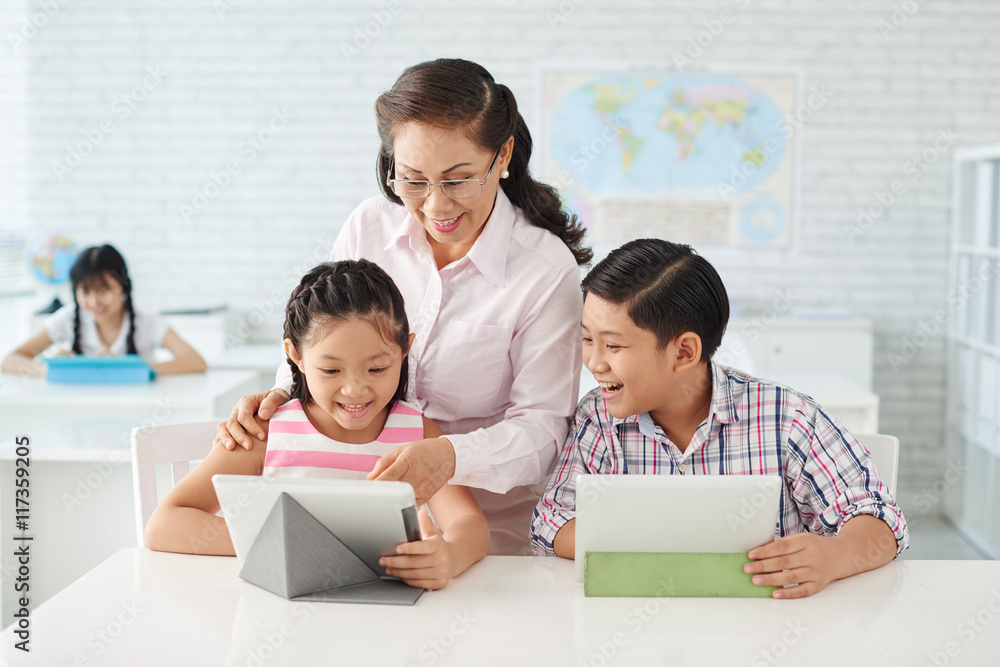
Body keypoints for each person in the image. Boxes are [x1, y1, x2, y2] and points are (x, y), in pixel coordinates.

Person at [215, 58, 591, 555]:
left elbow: (544, 431)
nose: (436, 205)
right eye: (413, 180)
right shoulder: (369, 226)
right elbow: (322, 328)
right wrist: (282, 393)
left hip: (486, 543)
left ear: (502, 155)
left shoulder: (544, 269)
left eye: (457, 180)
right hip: (358, 525)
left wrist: (450, 457)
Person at [530, 238, 909, 599]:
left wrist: (833, 555)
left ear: (684, 352)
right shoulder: (598, 418)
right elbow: (551, 520)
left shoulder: (787, 418)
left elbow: (880, 518)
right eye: (587, 339)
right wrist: (647, 544)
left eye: (613, 345)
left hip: (770, 622)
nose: (594, 362)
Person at [145, 260, 490, 590]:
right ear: (295, 355)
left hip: (386, 616)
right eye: (330, 370)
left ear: (404, 351)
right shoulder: (265, 433)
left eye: (377, 368)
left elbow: (469, 524)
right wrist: (277, 543)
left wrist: (449, 557)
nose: (355, 390)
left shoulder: (420, 436)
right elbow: (165, 523)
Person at [1, 244, 206, 376]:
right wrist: (56, 369)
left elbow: (195, 361)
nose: (94, 301)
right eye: (85, 290)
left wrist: (131, 368)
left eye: (104, 289)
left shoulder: (147, 322)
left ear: (123, 287)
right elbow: (10, 359)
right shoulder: (68, 318)